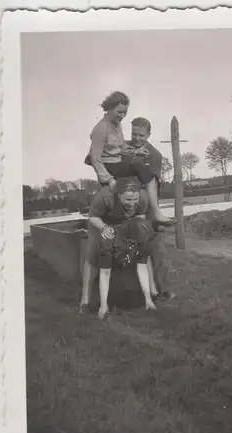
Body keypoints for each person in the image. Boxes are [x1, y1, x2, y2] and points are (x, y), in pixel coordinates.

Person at [85, 90, 175, 226]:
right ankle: (156, 213)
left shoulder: (116, 123)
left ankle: (151, 215)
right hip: (109, 166)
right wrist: (109, 180)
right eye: (119, 112)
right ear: (109, 108)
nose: (122, 116)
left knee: (145, 172)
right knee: (140, 167)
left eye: (124, 112)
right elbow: (95, 158)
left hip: (117, 161)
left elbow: (120, 146)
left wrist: (135, 152)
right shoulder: (101, 128)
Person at [82, 177, 158, 320]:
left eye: (134, 199)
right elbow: (92, 216)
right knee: (93, 257)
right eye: (128, 200)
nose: (132, 203)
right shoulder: (104, 197)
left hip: (127, 224)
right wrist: (104, 228)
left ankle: (151, 296)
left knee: (143, 254)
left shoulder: (142, 197)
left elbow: (139, 218)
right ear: (118, 195)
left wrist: (132, 237)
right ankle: (85, 300)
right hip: (101, 221)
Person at [127, 116, 175, 300]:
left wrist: (153, 211)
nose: (137, 138)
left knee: (157, 246)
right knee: (138, 246)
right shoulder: (124, 147)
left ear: (149, 134)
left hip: (148, 204)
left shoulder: (155, 155)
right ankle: (146, 291)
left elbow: (150, 183)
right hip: (128, 203)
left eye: (141, 135)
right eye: (134, 134)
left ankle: (164, 289)